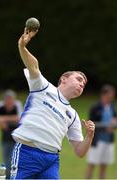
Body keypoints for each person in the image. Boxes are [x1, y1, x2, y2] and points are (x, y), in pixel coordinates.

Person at [11, 28, 95, 180]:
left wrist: (90, 136)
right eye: (79, 79)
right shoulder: (43, 87)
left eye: (84, 84)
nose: (82, 84)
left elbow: (80, 151)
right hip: (27, 152)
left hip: (51, 160)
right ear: (64, 78)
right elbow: (34, 66)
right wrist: (22, 47)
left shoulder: (73, 115)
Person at [0, 90, 23, 179]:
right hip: (5, 139)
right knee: (6, 162)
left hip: (17, 139)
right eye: (7, 100)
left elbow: (20, 117)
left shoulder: (17, 104)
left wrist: (2, 118)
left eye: (11, 99)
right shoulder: (0, 105)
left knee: (13, 162)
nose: (9, 102)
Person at [85, 85, 117, 179]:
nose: (111, 98)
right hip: (96, 141)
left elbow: (115, 119)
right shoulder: (95, 107)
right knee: (91, 165)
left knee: (104, 167)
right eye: (109, 96)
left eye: (112, 96)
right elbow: (90, 124)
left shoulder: (112, 106)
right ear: (103, 95)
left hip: (109, 141)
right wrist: (105, 128)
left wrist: (115, 123)